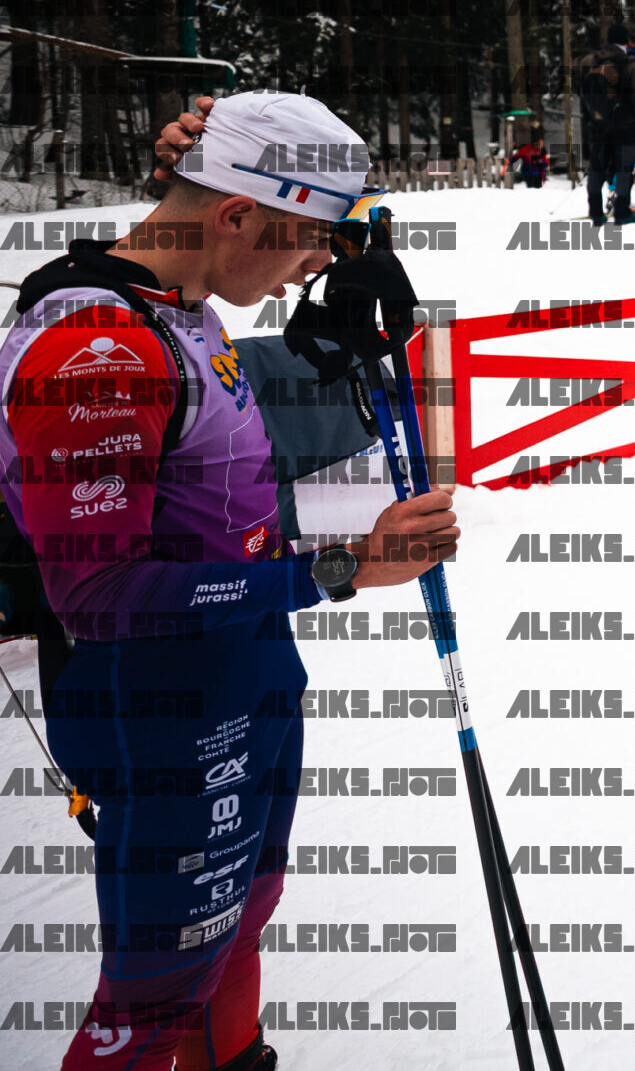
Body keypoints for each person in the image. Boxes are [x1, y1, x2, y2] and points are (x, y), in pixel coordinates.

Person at [2, 93, 461, 1071]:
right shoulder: (97, 352)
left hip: (242, 677)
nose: (311, 269)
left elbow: (207, 474)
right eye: (310, 243)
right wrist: (341, 566)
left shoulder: (182, 302)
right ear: (237, 215)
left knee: (240, 920)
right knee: (153, 998)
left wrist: (336, 334)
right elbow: (100, 595)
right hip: (159, 707)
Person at [572, 23, 635, 224]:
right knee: (624, 169)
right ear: (626, 41)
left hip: (596, 123)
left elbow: (579, 88)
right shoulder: (629, 64)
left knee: (596, 168)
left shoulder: (588, 60)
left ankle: (596, 212)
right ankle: (622, 212)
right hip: (624, 125)